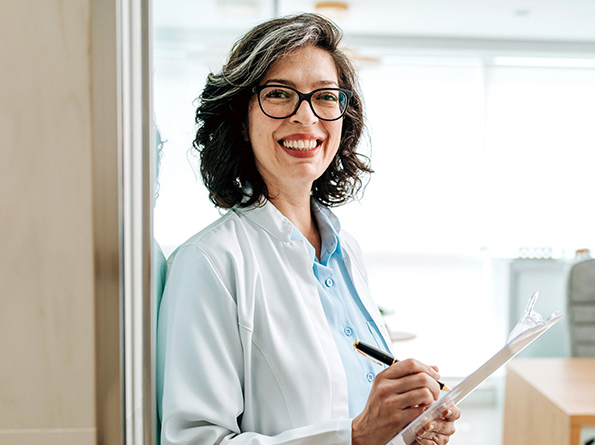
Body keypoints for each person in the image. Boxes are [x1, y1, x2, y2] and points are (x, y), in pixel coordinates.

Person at [156, 13, 460, 445]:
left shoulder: (346, 250)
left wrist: (409, 429)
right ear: (240, 119)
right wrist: (354, 437)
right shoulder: (209, 263)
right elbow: (194, 441)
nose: (307, 117)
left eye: (325, 97)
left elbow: (356, 407)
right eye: (280, 94)